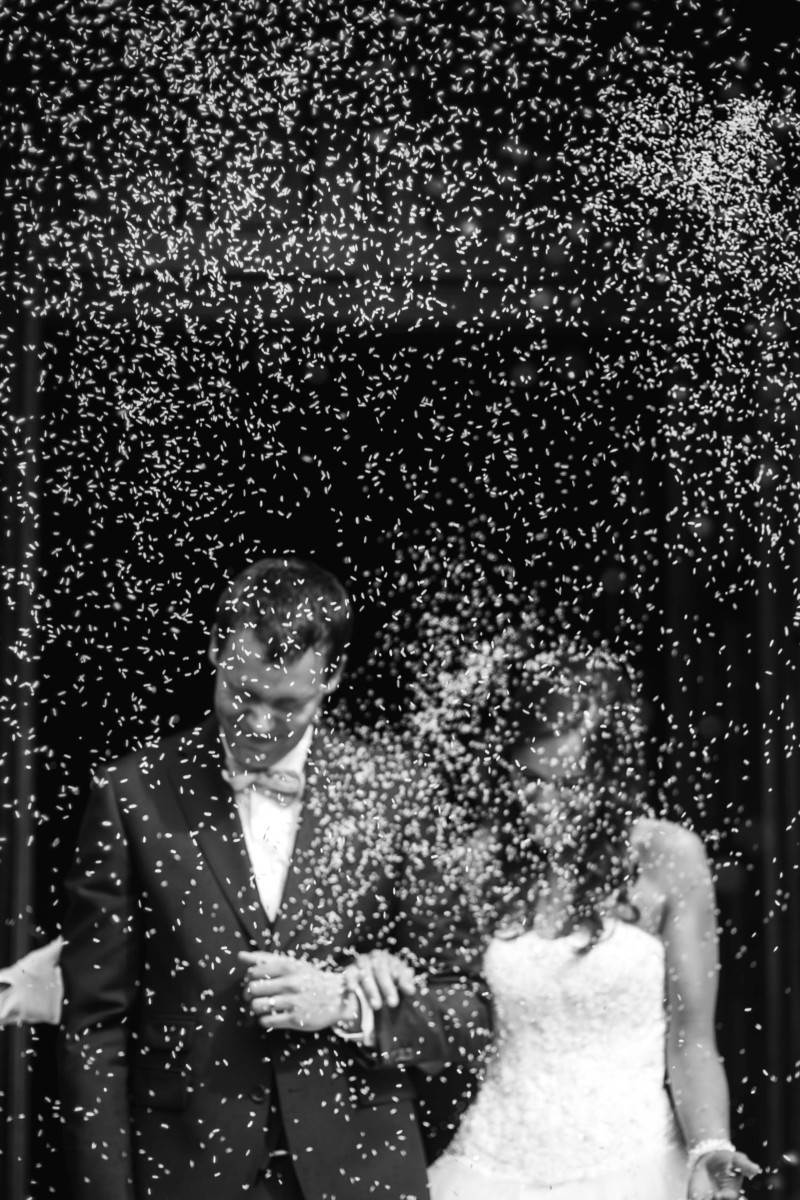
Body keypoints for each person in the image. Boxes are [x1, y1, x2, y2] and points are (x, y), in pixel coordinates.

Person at [58, 557, 492, 1200]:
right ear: (215, 648)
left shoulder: (396, 794)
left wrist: (345, 1006)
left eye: (288, 704)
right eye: (243, 693)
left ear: (332, 676)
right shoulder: (132, 794)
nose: (259, 723)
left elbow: (467, 1008)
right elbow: (94, 1028)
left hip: (362, 1173)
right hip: (190, 1175)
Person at [420, 643, 761, 1200]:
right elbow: (449, 1019)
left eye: (570, 784)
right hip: (490, 1164)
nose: (544, 803)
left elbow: (692, 1039)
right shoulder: (480, 864)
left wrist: (709, 1147)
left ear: (610, 777)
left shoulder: (668, 858)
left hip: (636, 1162)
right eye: (531, 778)